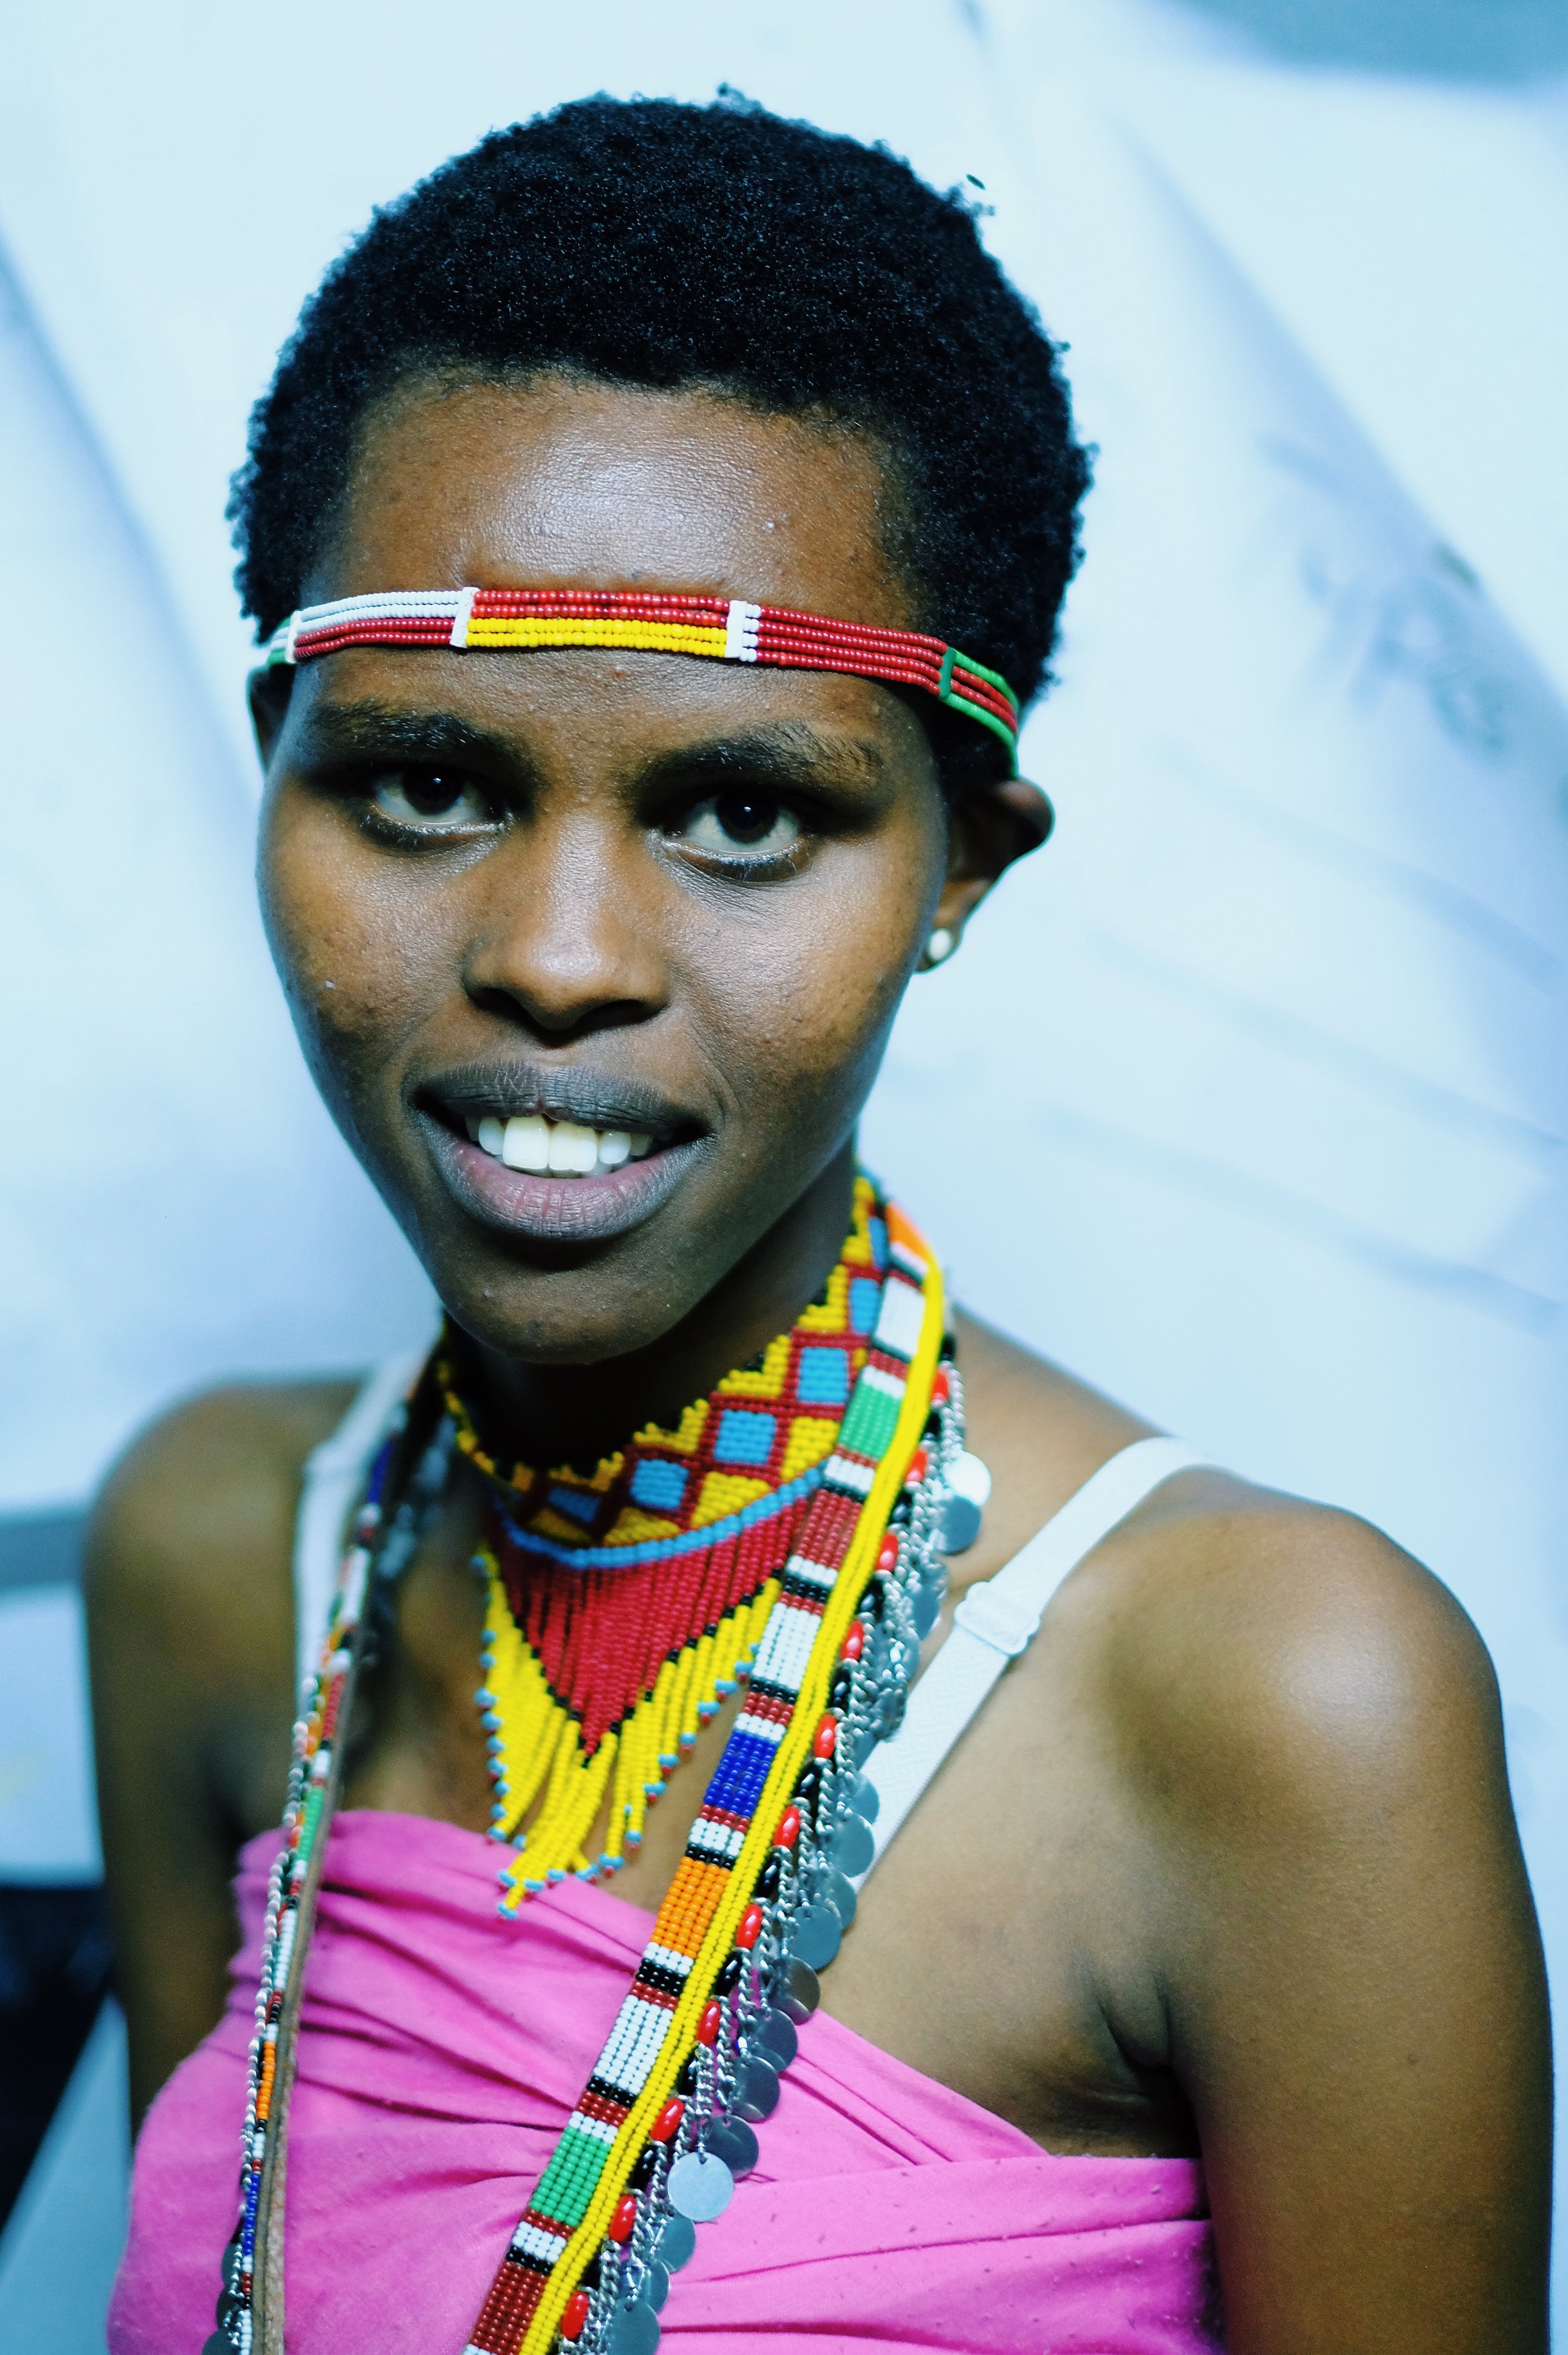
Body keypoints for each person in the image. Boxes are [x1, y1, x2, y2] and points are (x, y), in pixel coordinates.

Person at [87, 95, 1549, 2355]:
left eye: (746, 810)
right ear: (274, 765)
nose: (559, 953)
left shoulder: (1269, 1698)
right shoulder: (215, 1559)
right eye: (428, 781)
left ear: (961, 862)